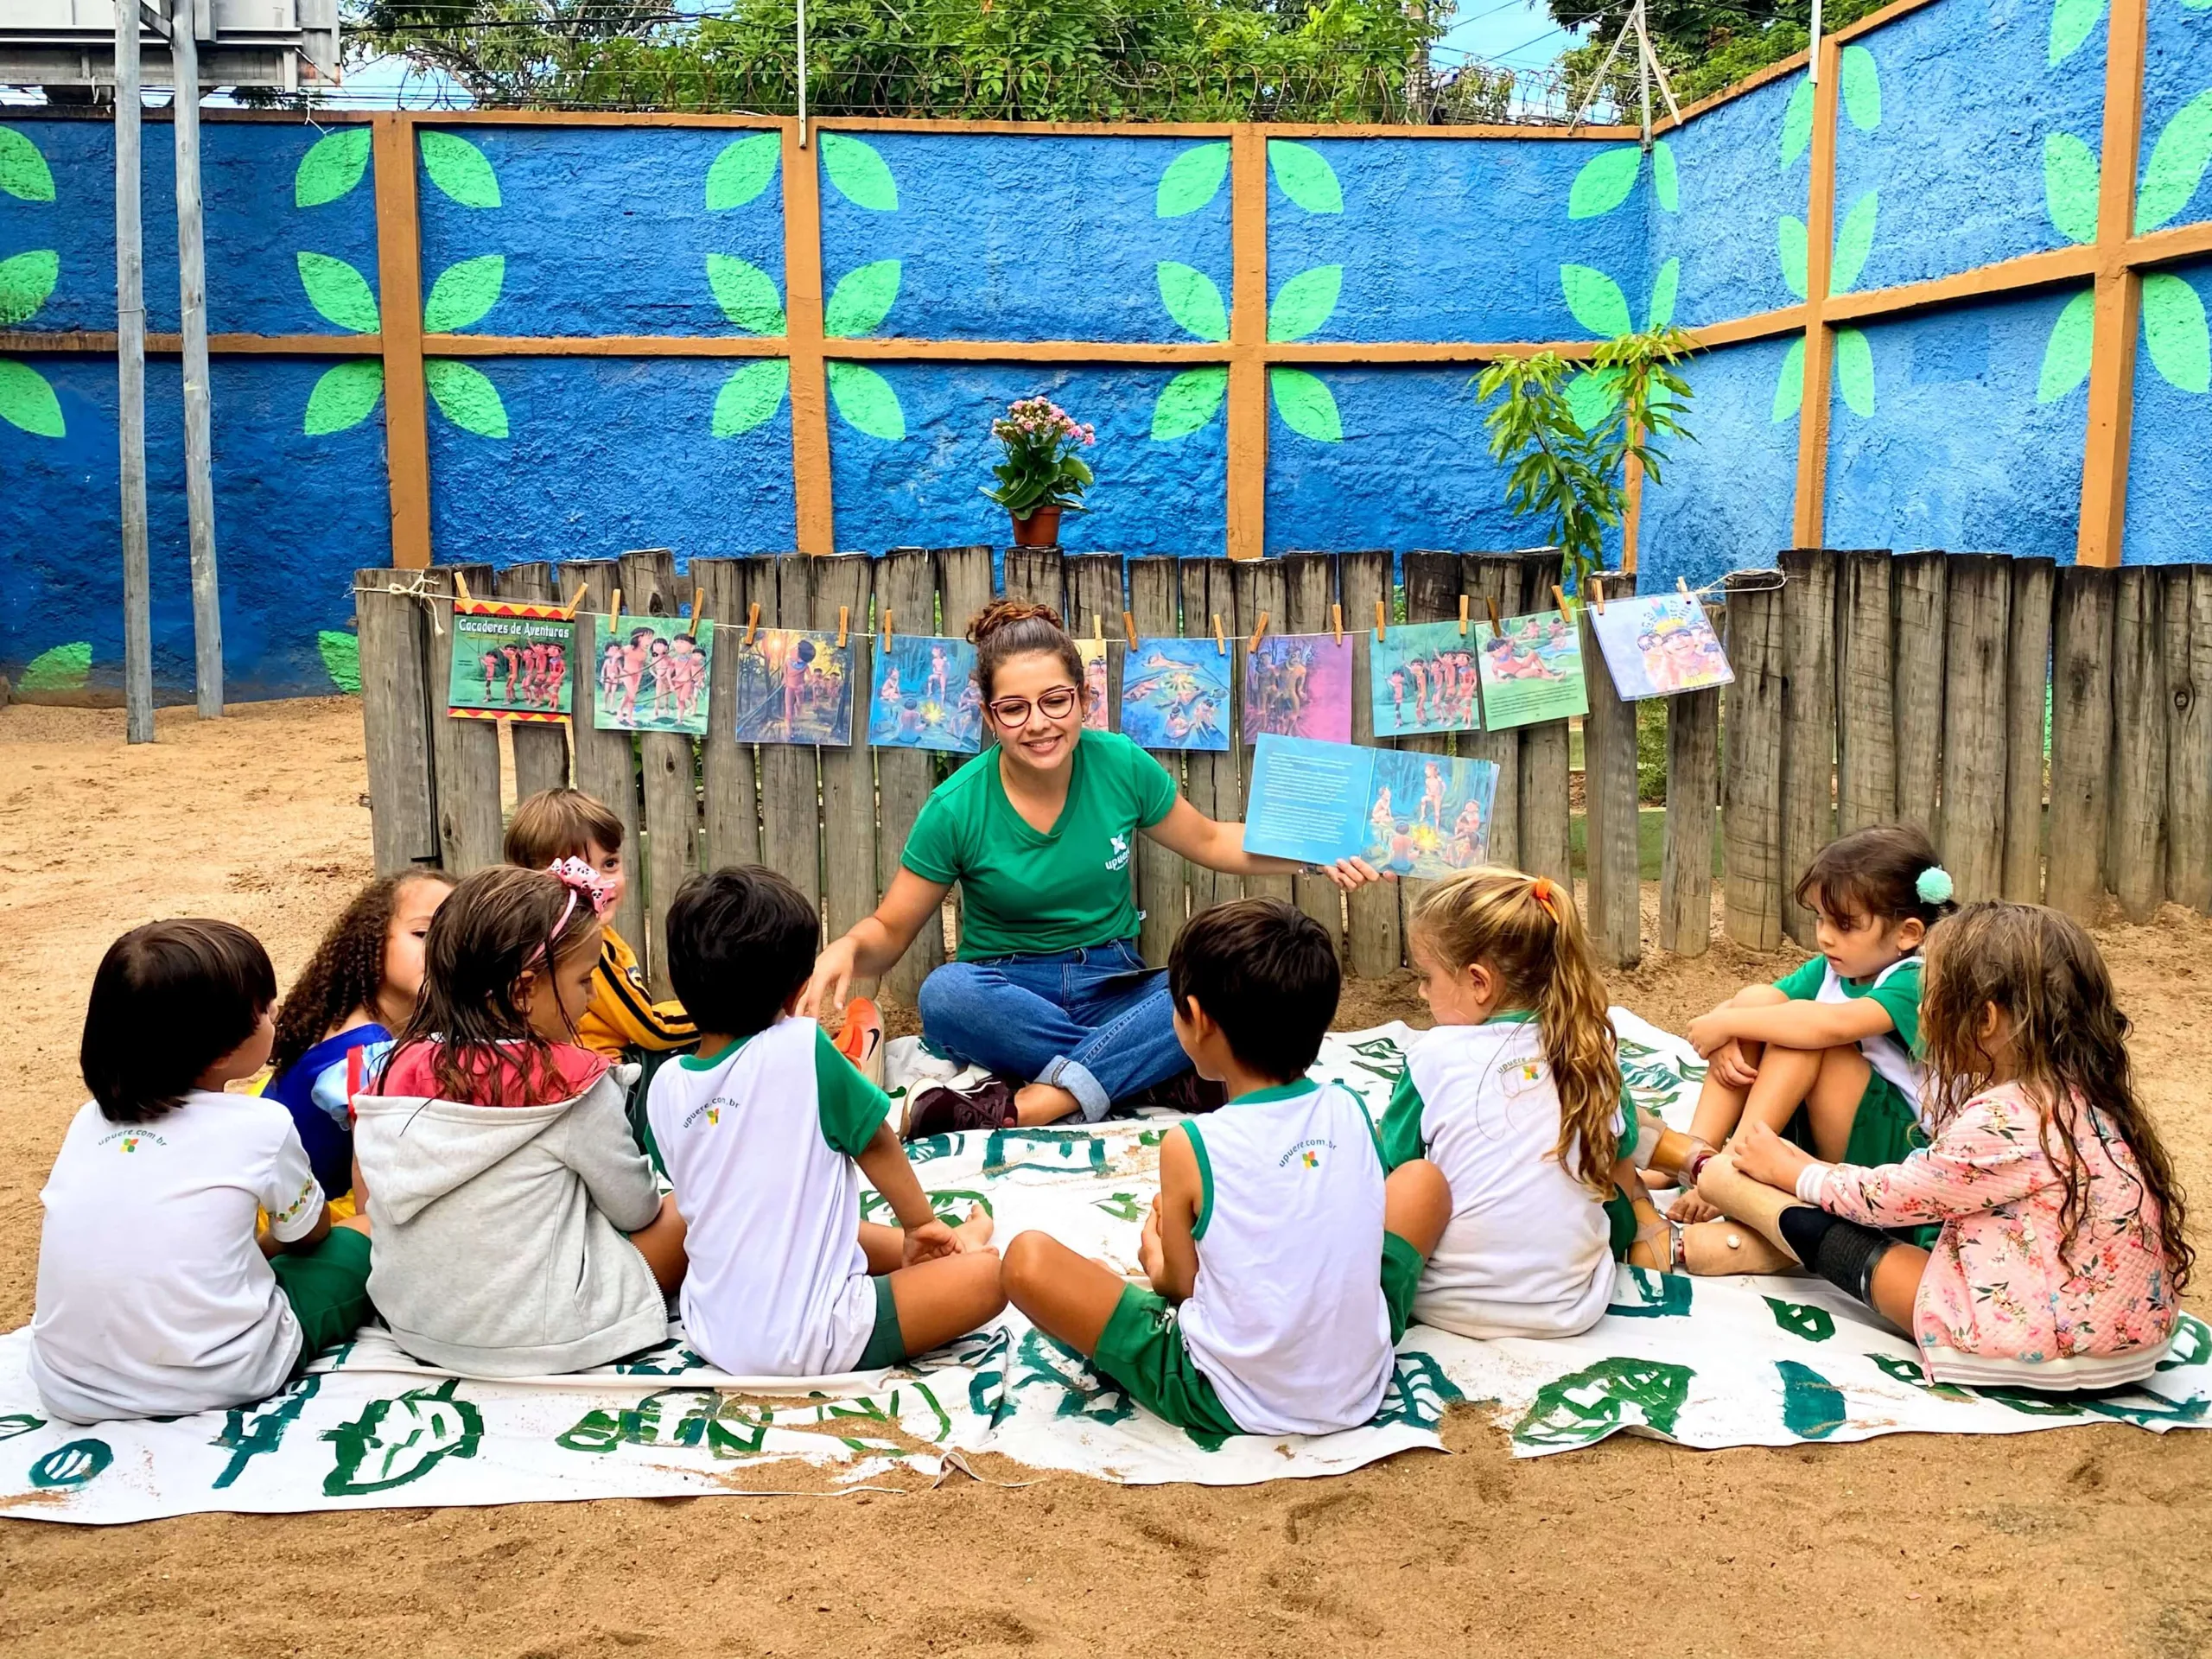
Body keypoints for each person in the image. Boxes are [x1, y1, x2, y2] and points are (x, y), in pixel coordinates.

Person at [800, 601, 1386, 1136]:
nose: (1038, 723)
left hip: (1116, 984)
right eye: (1014, 708)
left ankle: (1043, 1101)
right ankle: (1150, 1073)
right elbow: (892, 930)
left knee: (1217, 986)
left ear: (1084, 699)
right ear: (988, 715)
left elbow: (1210, 839)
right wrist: (847, 949)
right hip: (1007, 994)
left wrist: (1313, 852)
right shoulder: (956, 808)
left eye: (1055, 700)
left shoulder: (1121, 765)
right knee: (944, 994)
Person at [1000, 899, 1450, 1439]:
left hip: (1228, 1395)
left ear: (1199, 1020)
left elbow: (1186, 1290)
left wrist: (1155, 1257)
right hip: (1358, 1381)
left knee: (1026, 1260)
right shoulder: (1348, 1105)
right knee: (1422, 1181)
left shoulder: (1188, 1144)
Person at [1694, 902, 2188, 1388]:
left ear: (1987, 1021)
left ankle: (1705, 1178)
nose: (1923, 1013)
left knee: (1834, 1231)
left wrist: (1796, 1172)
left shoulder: (2006, 1113)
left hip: (2021, 1346)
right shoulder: (2087, 1094)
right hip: (2134, 1341)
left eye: (1933, 997)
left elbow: (1888, 1201)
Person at [648, 866, 1005, 1376]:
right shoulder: (801, 1047)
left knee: (816, 1223)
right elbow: (876, 1142)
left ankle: (945, 1249)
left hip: (714, 1335)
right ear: (797, 993)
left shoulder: (663, 1087)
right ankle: (955, 1248)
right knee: (989, 1276)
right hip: (817, 1335)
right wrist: (920, 1224)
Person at [353, 862, 688, 1376]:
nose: (592, 997)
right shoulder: (571, 1082)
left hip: (416, 1326)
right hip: (551, 1333)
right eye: (582, 980)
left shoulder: (392, 1070)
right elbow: (636, 1211)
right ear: (523, 990)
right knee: (693, 1212)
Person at [30, 920, 372, 1423]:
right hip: (223, 1373)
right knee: (360, 1235)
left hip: (66, 1386)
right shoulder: (262, 1123)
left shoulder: (89, 1122)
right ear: (222, 1049)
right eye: (264, 1006)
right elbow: (307, 1235)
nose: (275, 1012)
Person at [1382, 870, 1709, 1339]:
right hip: (1572, 1305)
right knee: (1610, 1166)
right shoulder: (1591, 1044)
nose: (1420, 991)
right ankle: (1659, 1200)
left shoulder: (1431, 1057)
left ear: (1478, 982)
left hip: (1440, 1302)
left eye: (1426, 976)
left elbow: (1398, 1167)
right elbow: (1622, 1146)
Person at [1671, 823, 1955, 1238]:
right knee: (1757, 1000)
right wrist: (1726, 1031)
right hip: (1837, 1124)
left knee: (1807, 1035)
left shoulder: (1916, 979)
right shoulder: (1836, 970)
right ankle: (1693, 1152)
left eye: (1844, 924)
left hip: (1894, 1150)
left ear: (1907, 934)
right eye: (1821, 919)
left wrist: (1726, 1024)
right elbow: (1756, 1005)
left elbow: (1829, 1026)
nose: (1824, 937)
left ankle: (1731, 1169)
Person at [263, 869, 454, 1208]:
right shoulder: (367, 1052)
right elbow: (381, 1190)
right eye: (423, 933)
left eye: (458, 936)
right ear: (372, 938)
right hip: (300, 1226)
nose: (442, 948)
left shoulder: (350, 1014)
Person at [504, 789, 698, 1063]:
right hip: (596, 1073)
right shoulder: (582, 944)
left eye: (610, 863)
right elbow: (655, 1030)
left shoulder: (566, 935)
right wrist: (721, 1011)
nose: (599, 883)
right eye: (579, 871)